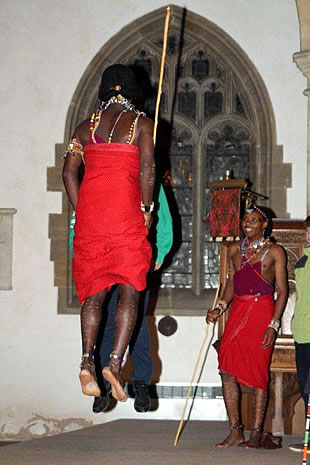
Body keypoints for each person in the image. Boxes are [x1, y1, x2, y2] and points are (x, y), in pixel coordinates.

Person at [62, 64, 155, 402]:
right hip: (125, 219)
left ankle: (87, 359)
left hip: (91, 222)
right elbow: (147, 169)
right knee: (130, 289)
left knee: (94, 293)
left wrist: (80, 210)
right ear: (132, 91)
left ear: (103, 90)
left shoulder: (84, 129)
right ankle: (114, 363)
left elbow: (68, 172)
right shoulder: (142, 125)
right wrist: (147, 210)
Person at [207, 206, 288, 448]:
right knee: (226, 368)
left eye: (255, 220)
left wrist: (273, 325)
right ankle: (235, 431)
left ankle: (255, 432)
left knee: (258, 373)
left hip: (262, 313)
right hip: (238, 313)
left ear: (265, 225)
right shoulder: (234, 250)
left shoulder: (275, 252)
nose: (248, 223)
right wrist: (220, 307)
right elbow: (232, 285)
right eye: (246, 219)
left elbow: (282, 291)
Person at [92, 182, 173, 413]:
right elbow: (81, 216)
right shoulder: (99, 177)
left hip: (135, 258)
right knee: (105, 323)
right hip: (104, 259)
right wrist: (76, 250)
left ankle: (141, 384)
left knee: (135, 323)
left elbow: (163, 216)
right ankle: (103, 385)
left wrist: (161, 249)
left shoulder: (147, 178)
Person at [289, 216, 310, 454]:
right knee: (306, 388)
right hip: (302, 332)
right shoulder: (301, 263)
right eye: (308, 231)